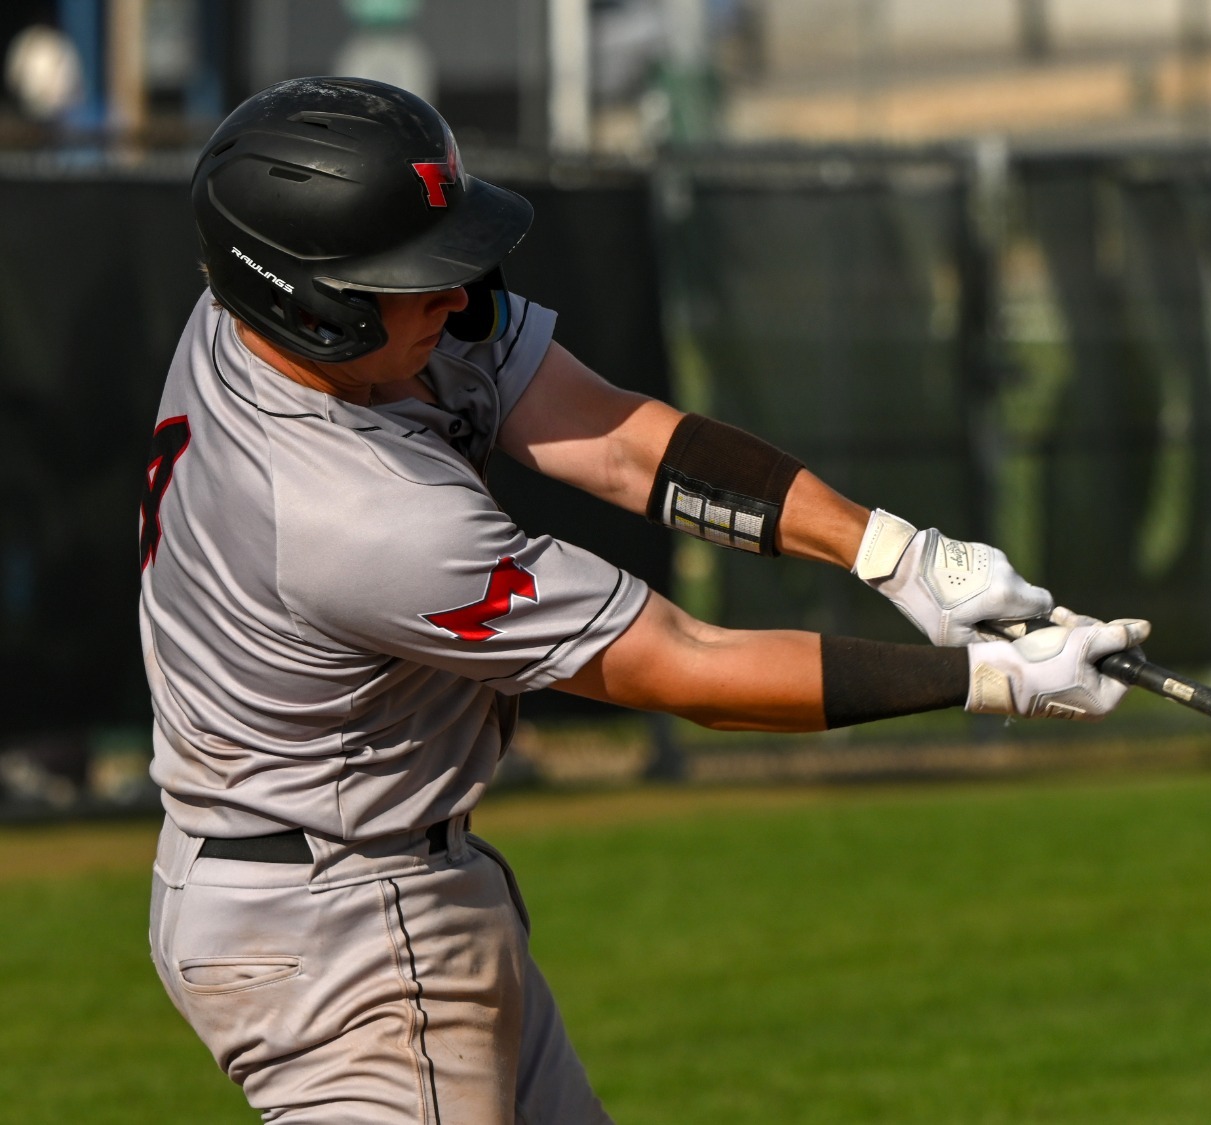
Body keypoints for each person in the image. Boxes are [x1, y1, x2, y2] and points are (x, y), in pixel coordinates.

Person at [141, 76, 1147, 1124]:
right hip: (342, 936)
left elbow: (617, 441)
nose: (454, 298)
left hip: (343, 880)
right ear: (313, 303)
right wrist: (987, 680)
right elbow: (689, 663)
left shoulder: (276, 332)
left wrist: (898, 556)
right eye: (413, 279)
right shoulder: (359, 518)